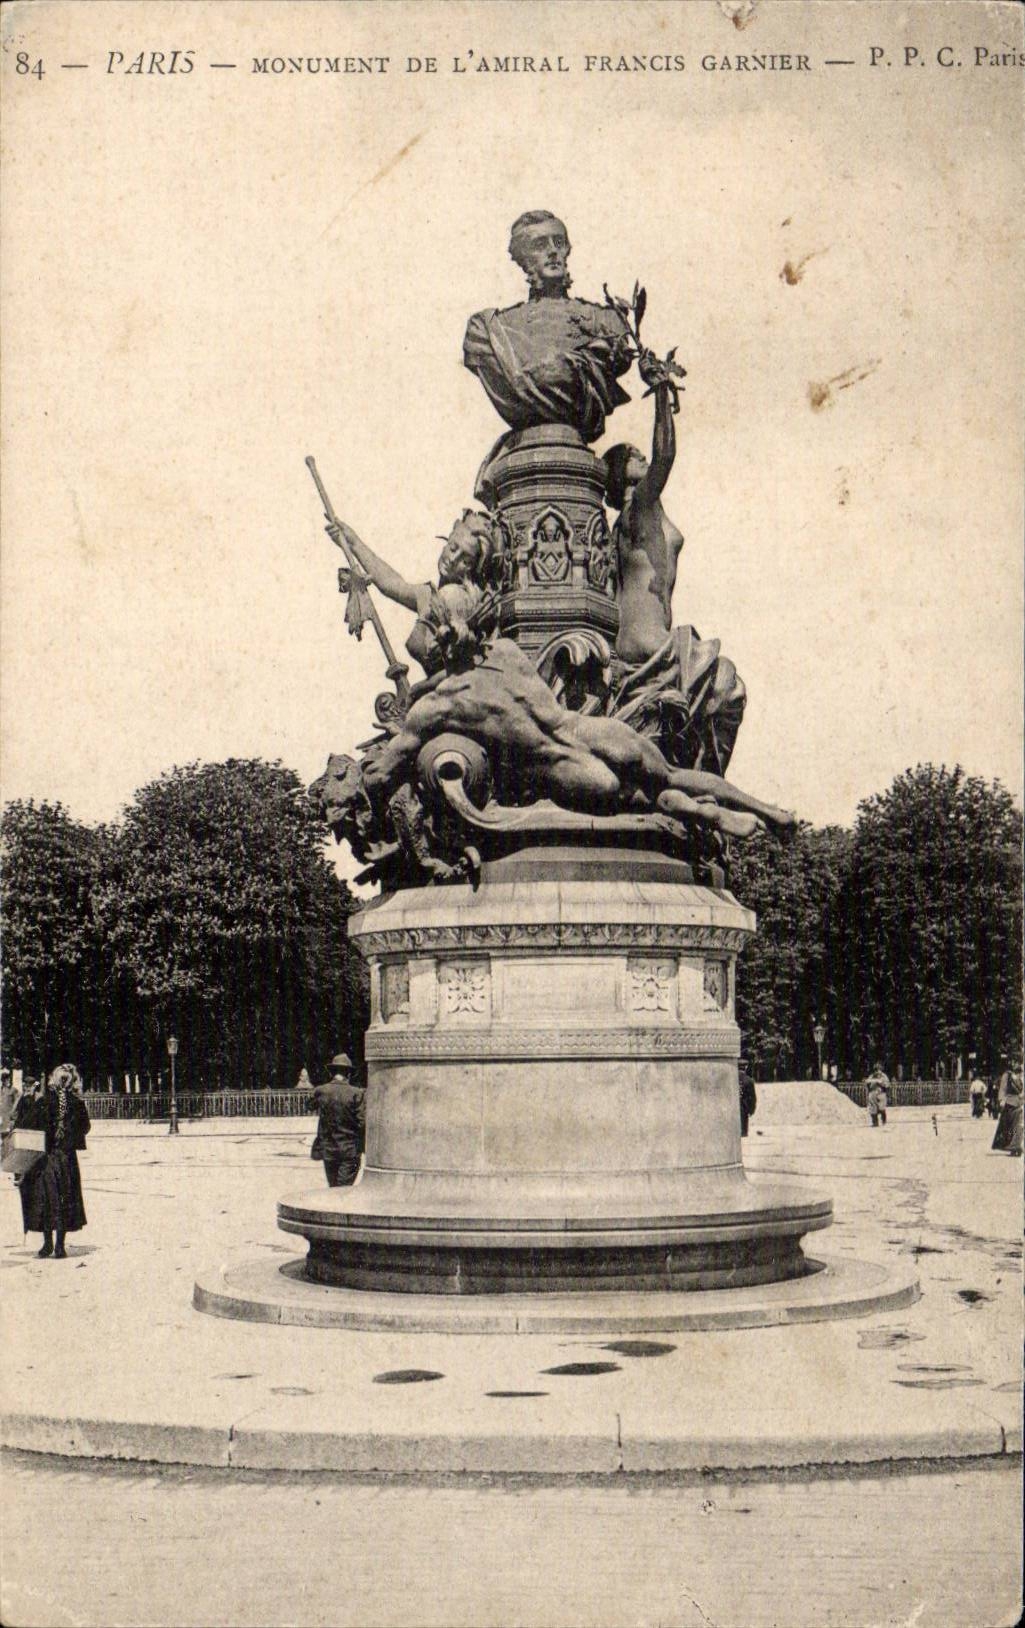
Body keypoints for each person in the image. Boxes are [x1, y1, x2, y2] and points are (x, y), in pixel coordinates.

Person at [602, 367, 747, 777]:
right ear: (621, 475)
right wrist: (662, 390)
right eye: (633, 455)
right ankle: (707, 782)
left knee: (721, 694)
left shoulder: (638, 517)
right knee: (728, 687)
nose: (643, 458)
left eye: (639, 453)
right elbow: (665, 455)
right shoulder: (639, 508)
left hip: (651, 637)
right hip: (648, 641)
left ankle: (700, 781)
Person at [463, 211, 633, 447]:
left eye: (559, 242)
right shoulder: (490, 329)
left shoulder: (605, 321)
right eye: (540, 244)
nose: (553, 251)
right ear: (524, 258)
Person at [13, 1063, 90, 1258]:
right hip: (67, 1160)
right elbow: (86, 1127)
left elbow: (27, 1126)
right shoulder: (77, 1103)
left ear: (53, 1080)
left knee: (46, 1200)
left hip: (46, 1159)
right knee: (65, 1199)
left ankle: (47, 1245)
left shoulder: (43, 1102)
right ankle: (60, 1247)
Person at [311, 1054, 366, 1187]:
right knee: (345, 1189)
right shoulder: (356, 1093)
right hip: (349, 1150)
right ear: (349, 1074)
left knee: (333, 1187)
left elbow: (310, 1105)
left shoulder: (321, 1091)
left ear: (332, 1073)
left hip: (328, 1149)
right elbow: (362, 1122)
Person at [991, 1065, 1023, 1156]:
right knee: (1012, 1126)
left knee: (1015, 1126)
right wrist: (1002, 1100)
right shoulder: (1008, 1075)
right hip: (1010, 1103)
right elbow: (1003, 1088)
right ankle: (1014, 1146)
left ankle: (1015, 1145)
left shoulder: (1016, 1077)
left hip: (1016, 1104)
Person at [865, 1061, 889, 1128]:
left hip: (881, 1093)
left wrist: (881, 1083)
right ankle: (875, 1122)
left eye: (878, 1069)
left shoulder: (884, 1076)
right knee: (873, 1109)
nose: (877, 1071)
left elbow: (887, 1085)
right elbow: (867, 1082)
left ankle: (884, 1121)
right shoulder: (871, 1076)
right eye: (876, 1069)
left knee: (882, 1108)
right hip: (873, 1093)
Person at [738, 1058, 757, 1139]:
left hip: (731, 1109)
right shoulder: (749, 1080)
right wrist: (751, 1109)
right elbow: (752, 1098)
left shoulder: (729, 1078)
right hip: (743, 1109)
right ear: (746, 1067)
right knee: (743, 1134)